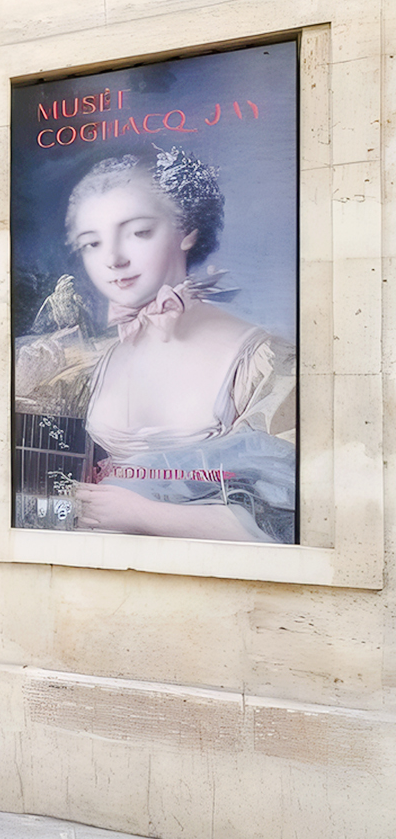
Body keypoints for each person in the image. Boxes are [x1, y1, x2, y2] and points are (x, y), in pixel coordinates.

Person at [63, 148, 296, 543]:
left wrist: (142, 514)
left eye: (138, 232)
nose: (114, 259)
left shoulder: (260, 358)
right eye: (92, 243)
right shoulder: (100, 356)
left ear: (187, 229)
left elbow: (284, 519)